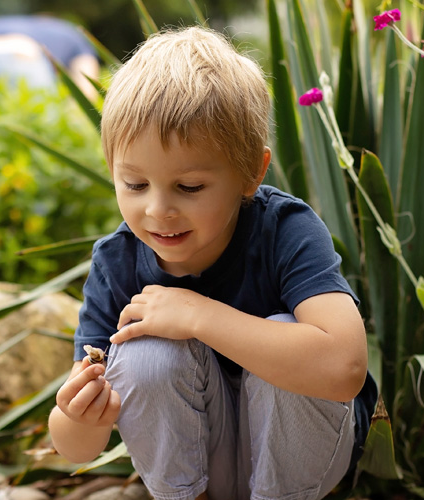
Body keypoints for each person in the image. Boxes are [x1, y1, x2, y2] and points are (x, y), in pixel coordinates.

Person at [48, 26, 377, 500]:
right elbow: (76, 448)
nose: (158, 210)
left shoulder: (287, 230)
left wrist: (199, 316)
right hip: (199, 472)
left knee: (290, 335)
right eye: (135, 185)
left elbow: (344, 367)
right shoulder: (115, 264)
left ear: (251, 173)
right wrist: (77, 416)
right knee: (141, 352)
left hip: (302, 467)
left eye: (190, 187)